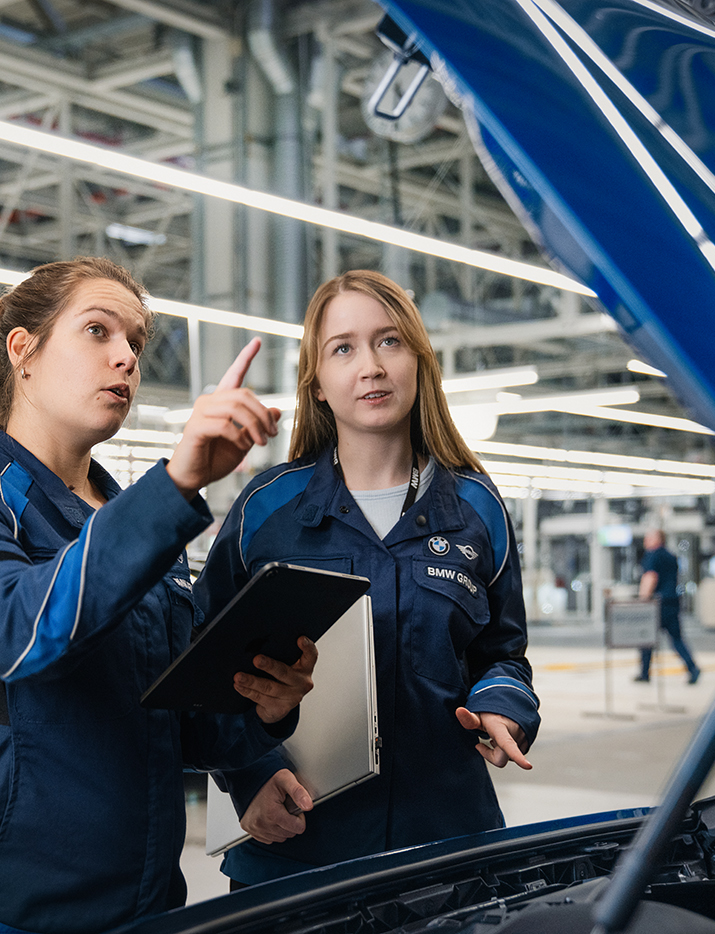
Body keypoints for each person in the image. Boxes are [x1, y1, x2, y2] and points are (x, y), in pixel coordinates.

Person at [0, 257, 318, 934]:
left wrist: (262, 718)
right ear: (23, 350)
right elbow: (13, 631)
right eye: (98, 332)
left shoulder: (134, 520)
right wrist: (173, 486)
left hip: (139, 897)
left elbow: (176, 723)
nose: (127, 358)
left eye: (136, 343)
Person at [195, 270, 541, 887]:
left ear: (418, 362)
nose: (371, 366)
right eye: (343, 348)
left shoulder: (478, 509)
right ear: (319, 384)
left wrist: (501, 708)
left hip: (445, 849)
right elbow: (202, 666)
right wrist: (246, 777)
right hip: (297, 854)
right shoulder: (267, 512)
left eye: (389, 342)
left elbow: (504, 655)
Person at [635, 529, 700, 684]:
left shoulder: (652, 554)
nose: (645, 540)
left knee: (646, 638)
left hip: (657, 604)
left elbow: (650, 577)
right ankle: (692, 668)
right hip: (672, 602)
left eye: (648, 536)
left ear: (657, 539)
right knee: (676, 639)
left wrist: (642, 599)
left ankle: (644, 673)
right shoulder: (671, 556)